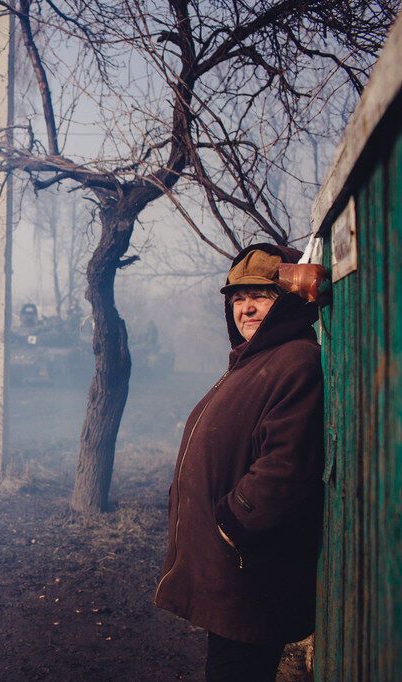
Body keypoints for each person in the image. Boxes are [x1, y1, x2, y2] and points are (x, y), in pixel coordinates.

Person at [153, 244, 325, 681]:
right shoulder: (253, 363)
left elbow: (286, 466)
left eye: (260, 296)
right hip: (233, 568)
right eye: (237, 299)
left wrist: (231, 522)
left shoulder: (296, 361)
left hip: (250, 573)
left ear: (286, 301)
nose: (245, 308)